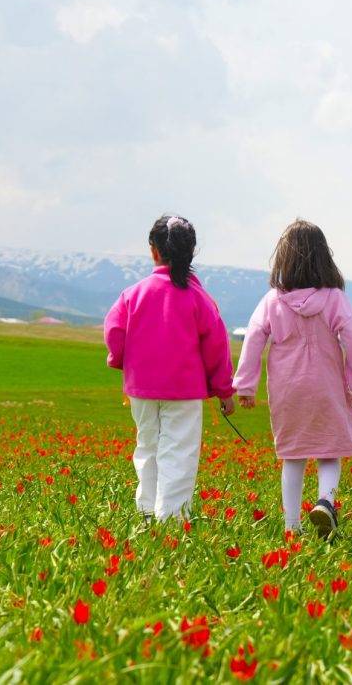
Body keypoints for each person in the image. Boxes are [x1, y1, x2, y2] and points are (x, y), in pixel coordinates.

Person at [233, 219, 352, 537]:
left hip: (287, 390)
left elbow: (254, 338)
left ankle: (291, 527)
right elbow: (351, 338)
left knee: (293, 456)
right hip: (326, 387)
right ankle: (326, 501)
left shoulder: (272, 300)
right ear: (324, 257)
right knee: (329, 452)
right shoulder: (335, 298)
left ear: (283, 259)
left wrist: (245, 385)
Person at [104, 215, 235, 522]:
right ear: (191, 253)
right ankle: (171, 520)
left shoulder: (132, 294)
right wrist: (223, 391)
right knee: (179, 454)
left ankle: (146, 513)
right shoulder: (200, 299)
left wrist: (122, 361)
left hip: (141, 389)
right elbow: (217, 348)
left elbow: (114, 331)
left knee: (147, 447)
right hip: (185, 393)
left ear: (154, 251)